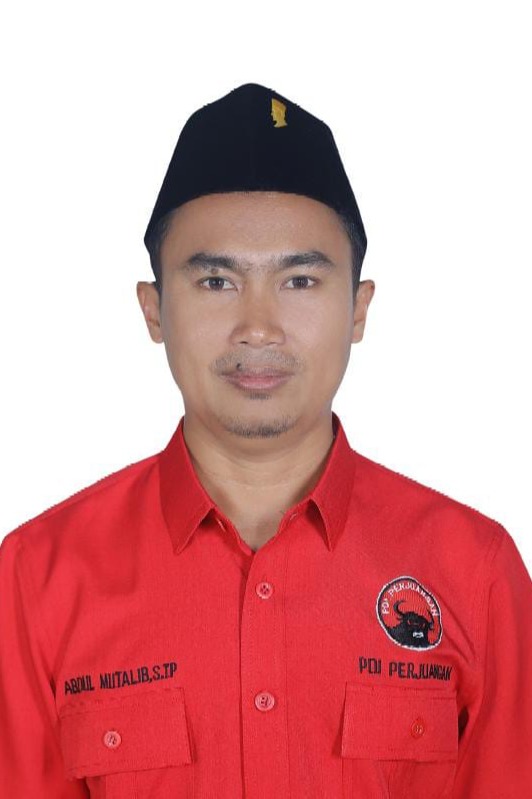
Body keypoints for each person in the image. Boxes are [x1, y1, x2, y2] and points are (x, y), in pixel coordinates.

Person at [1, 82, 531, 798]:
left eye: (300, 280)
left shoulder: (477, 573)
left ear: (358, 309)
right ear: (154, 310)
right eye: (216, 281)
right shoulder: (37, 578)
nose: (258, 327)